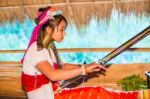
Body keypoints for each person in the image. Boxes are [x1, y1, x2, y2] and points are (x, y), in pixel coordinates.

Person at [21, 6, 106, 99]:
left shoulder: (48, 49)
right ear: (49, 30)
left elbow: (62, 67)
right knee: (97, 94)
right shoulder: (36, 50)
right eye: (61, 29)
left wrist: (86, 66)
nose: (64, 33)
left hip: (53, 94)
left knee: (97, 92)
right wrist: (83, 70)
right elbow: (53, 75)